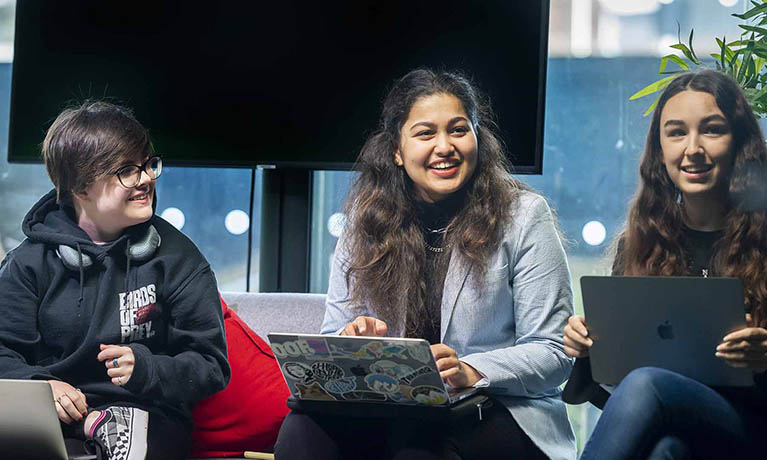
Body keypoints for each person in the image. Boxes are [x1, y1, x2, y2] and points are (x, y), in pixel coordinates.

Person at [275, 69, 576, 460]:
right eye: (425, 133)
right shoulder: (365, 222)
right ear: (397, 151)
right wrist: (355, 340)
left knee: (417, 448)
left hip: (498, 409)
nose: (445, 146)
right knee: (302, 432)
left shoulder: (524, 216)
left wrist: (471, 370)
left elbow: (553, 352)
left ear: (477, 139)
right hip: (393, 410)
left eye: (458, 130)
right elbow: (333, 335)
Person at [0, 101, 230, 460]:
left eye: (148, 165)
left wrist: (148, 368)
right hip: (55, 417)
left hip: (150, 416)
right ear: (80, 187)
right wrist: (41, 386)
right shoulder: (30, 263)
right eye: (126, 170)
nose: (145, 179)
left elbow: (211, 367)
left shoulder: (180, 259)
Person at [562, 69, 767, 458]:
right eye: (676, 132)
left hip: (755, 426)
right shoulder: (642, 244)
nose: (692, 148)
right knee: (665, 451)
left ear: (739, 143)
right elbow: (613, 388)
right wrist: (592, 348)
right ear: (660, 150)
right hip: (683, 425)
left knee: (646, 385)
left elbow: (640, 386)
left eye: (711, 130)